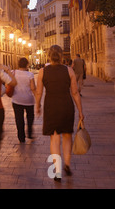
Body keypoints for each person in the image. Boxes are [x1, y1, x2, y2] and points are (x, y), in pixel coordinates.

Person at [35, 45, 84, 181]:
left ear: (49, 56)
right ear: (62, 56)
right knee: (67, 136)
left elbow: (39, 92)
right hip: (66, 105)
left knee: (55, 138)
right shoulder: (69, 71)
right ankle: (67, 164)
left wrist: (37, 105)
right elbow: (75, 93)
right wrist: (80, 111)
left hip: (51, 107)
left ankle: (57, 170)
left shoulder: (42, 72)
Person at [12, 57, 36, 143]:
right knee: (30, 117)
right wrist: (38, 98)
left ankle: (21, 137)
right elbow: (33, 88)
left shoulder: (13, 73)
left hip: (16, 99)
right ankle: (29, 133)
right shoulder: (30, 75)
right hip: (29, 100)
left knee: (19, 119)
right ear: (27, 64)